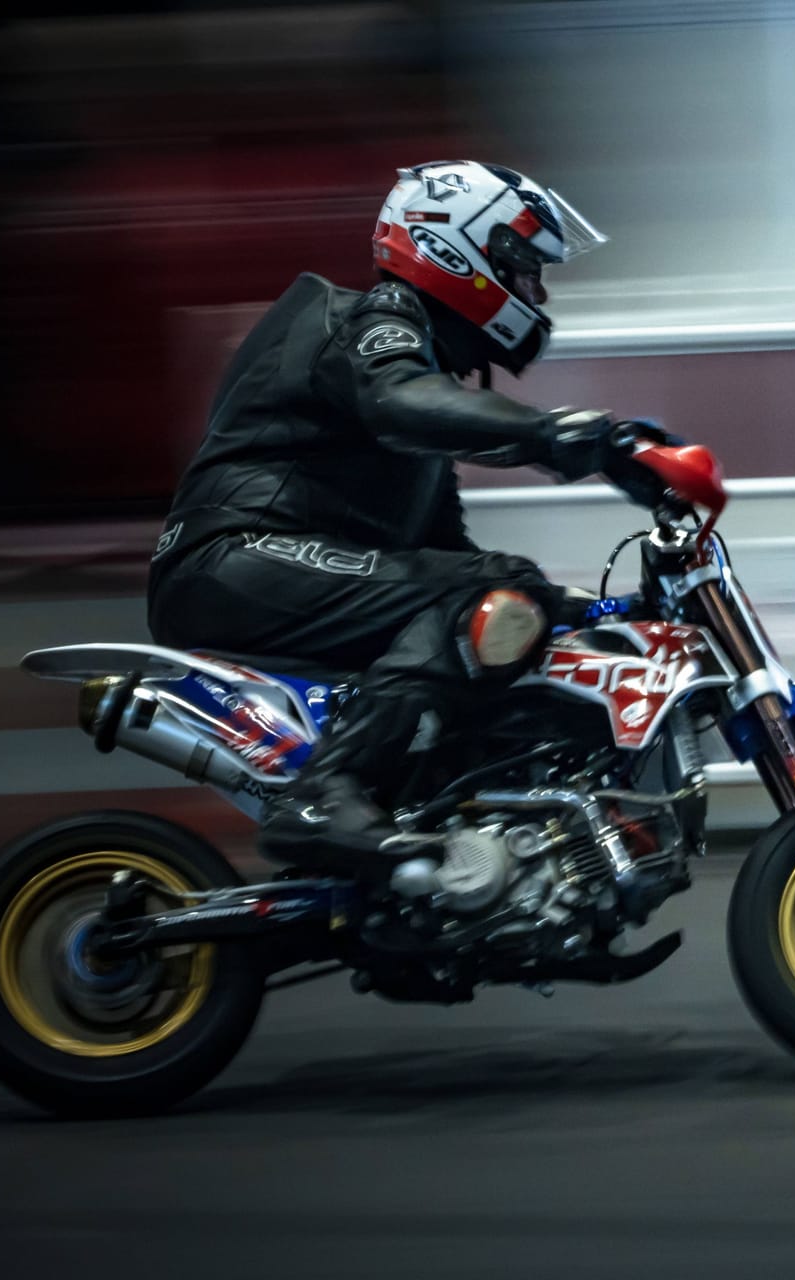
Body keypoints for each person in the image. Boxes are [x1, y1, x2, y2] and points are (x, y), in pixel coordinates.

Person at [147, 160, 668, 877]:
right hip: (236, 558)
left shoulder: (416, 394)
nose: (537, 293)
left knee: (508, 598)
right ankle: (326, 797)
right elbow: (400, 401)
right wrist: (560, 434)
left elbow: (447, 558)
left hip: (270, 567)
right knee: (497, 586)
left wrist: (571, 606)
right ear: (460, 252)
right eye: (523, 269)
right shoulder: (368, 325)